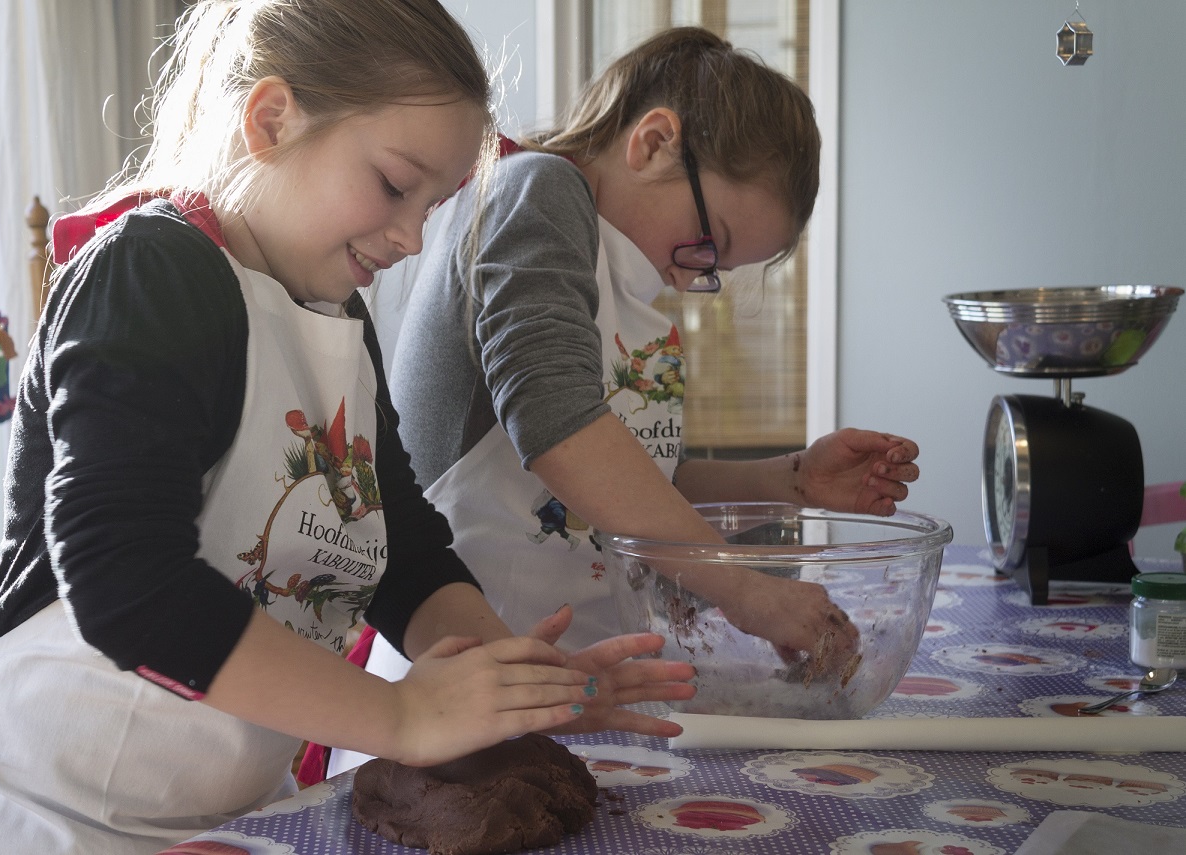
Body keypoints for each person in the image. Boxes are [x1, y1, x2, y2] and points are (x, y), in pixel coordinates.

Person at [0, 3, 695, 854]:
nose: (409, 235)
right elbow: (125, 579)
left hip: (237, 821)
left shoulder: (338, 319)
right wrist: (401, 711)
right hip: (51, 823)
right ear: (272, 119)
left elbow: (407, 552)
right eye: (397, 185)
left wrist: (507, 683)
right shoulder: (152, 271)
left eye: (434, 206)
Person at [365, 27, 923, 679]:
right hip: (466, 673)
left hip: (572, 671)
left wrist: (793, 477)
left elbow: (640, 474)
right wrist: (744, 587)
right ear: (654, 143)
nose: (690, 279)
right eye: (708, 243)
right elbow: (559, 429)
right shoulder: (536, 190)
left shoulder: (624, 281)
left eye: (715, 270)